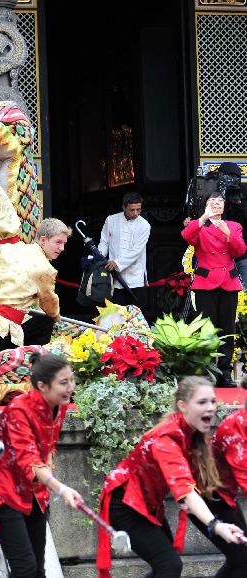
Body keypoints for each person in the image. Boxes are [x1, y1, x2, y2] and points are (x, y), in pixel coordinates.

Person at [97, 376, 245, 578]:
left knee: (167, 566)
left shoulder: (191, 433)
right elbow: (185, 489)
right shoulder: (167, 439)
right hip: (124, 504)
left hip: (147, 503)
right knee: (169, 566)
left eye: (212, 401)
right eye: (202, 402)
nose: (211, 407)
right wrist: (215, 525)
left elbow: (190, 483)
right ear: (182, 406)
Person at [0, 352, 83, 577]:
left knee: (38, 570)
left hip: (36, 495)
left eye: (71, 380)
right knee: (25, 568)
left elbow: (46, 446)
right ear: (42, 386)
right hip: (5, 493)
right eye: (63, 383)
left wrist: (48, 463)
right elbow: (29, 460)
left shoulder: (60, 404)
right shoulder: (19, 410)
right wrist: (60, 487)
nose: (70, 387)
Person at [0, 218, 69, 352]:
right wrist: (56, 316)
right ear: (43, 240)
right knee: (46, 323)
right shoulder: (46, 269)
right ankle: (33, 363)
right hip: (1, 327)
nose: (62, 248)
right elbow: (48, 302)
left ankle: (29, 361)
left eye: (64, 243)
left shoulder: (11, 248)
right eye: (58, 242)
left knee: (40, 322)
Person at [182, 192, 246, 387]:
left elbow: (240, 250)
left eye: (220, 202)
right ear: (206, 205)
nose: (217, 204)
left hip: (228, 282)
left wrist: (227, 232)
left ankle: (225, 373)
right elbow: (187, 236)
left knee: (227, 329)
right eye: (213, 202)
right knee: (207, 329)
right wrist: (202, 218)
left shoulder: (234, 226)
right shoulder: (199, 225)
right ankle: (209, 371)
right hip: (206, 282)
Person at [202, 376, 247, 577]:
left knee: (240, 561)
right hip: (208, 498)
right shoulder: (234, 429)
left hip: (225, 496)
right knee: (243, 560)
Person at [97, 192, 151, 307]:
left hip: (135, 276)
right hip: (114, 276)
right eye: (132, 210)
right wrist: (99, 258)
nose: (136, 213)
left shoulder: (145, 225)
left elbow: (136, 251)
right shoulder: (111, 220)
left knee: (134, 316)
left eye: (138, 209)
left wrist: (117, 263)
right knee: (115, 314)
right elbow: (104, 242)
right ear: (124, 207)